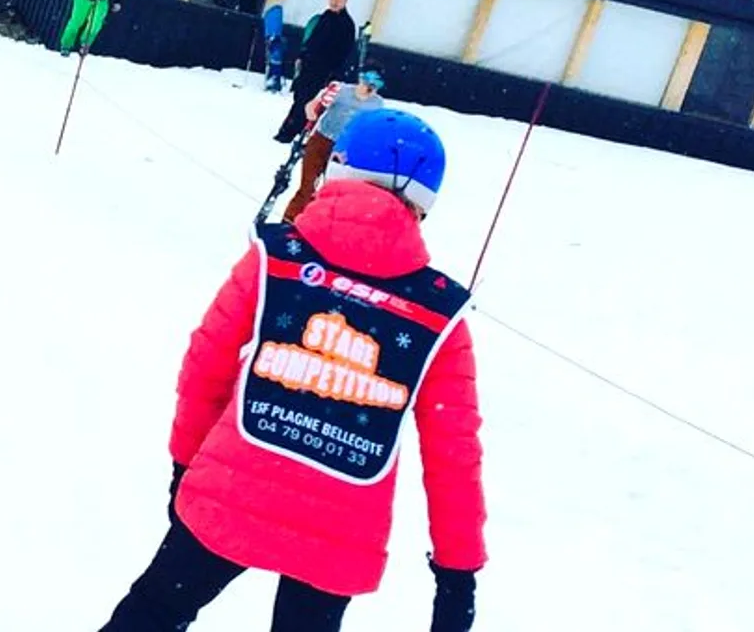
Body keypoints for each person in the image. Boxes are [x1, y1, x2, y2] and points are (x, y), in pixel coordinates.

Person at [95, 109, 483, 632]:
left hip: (233, 491)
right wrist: (457, 575)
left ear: (338, 170)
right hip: (342, 529)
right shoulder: (438, 312)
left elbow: (205, 365)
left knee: (156, 611)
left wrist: (186, 466)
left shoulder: (275, 256)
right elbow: (453, 454)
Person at [280, 66, 386, 220]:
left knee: (330, 192)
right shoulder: (340, 90)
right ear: (360, 79)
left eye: (375, 85)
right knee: (308, 186)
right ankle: (290, 221)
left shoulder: (377, 104)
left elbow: (374, 126)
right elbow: (311, 106)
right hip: (321, 141)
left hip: (343, 150)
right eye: (366, 82)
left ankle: (315, 224)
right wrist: (314, 109)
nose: (368, 88)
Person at [276, 0, 358, 142]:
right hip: (309, 66)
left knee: (309, 102)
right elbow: (312, 39)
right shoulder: (325, 16)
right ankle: (288, 129)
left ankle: (293, 132)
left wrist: (334, 73)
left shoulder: (347, 25)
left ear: (345, 2)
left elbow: (345, 52)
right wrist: (302, 55)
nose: (334, 3)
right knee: (299, 97)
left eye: (338, 0)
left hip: (324, 71)